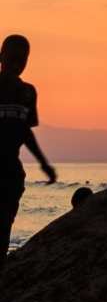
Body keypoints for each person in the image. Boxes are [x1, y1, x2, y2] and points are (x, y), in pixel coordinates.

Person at [0, 35, 57, 271]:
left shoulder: (27, 92)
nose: (18, 61)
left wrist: (44, 163)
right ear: (1, 56)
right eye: (13, 55)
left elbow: (25, 131)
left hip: (10, 170)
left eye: (23, 57)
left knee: (5, 221)